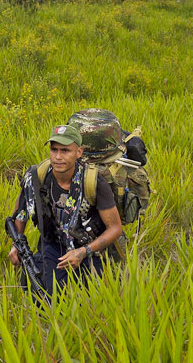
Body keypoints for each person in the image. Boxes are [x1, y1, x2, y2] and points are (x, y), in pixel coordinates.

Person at [8, 124, 123, 298]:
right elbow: (21, 212)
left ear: (79, 152)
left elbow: (115, 228)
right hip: (53, 244)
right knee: (43, 299)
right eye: (54, 150)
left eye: (65, 150)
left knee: (97, 299)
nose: (58, 157)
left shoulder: (93, 182)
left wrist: (83, 251)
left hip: (88, 248)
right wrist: (16, 245)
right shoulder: (36, 176)